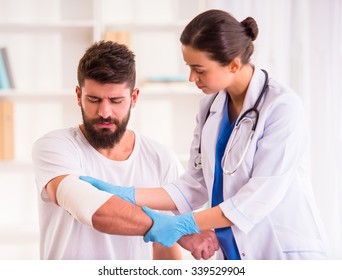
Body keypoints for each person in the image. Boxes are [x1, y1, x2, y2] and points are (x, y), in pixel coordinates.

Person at [81, 9, 330, 260]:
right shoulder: (210, 106)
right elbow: (194, 185)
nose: (192, 78)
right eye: (189, 67)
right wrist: (126, 194)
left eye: (199, 69)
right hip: (233, 250)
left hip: (282, 252)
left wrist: (185, 225)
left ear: (233, 64)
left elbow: (257, 198)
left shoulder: (282, 107)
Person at [31, 40, 219, 260]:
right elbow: (91, 208)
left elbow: (164, 247)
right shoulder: (55, 146)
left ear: (134, 98)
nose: (104, 112)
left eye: (116, 100)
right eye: (93, 99)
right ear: (78, 96)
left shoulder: (160, 158)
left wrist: (174, 231)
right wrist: (178, 231)